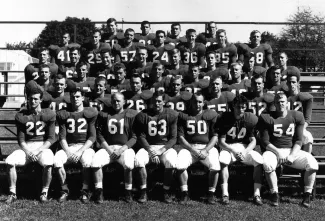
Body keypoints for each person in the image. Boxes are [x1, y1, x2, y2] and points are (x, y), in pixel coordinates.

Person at [258, 92, 318, 208]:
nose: (280, 104)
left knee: (313, 164)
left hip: (291, 150)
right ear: (274, 103)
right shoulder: (266, 117)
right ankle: (274, 193)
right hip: (274, 150)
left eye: (283, 102)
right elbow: (265, 142)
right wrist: (278, 152)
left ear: (287, 103)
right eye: (278, 102)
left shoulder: (297, 115)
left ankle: (307, 195)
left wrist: (292, 155)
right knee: (267, 164)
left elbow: (299, 140)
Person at [6, 86, 56, 203]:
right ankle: (12, 192)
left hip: (42, 147)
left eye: (35, 99)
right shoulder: (21, 115)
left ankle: (44, 192)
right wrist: (28, 152)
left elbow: (51, 138)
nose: (33, 101)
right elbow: (21, 139)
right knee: (9, 161)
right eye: (30, 99)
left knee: (49, 162)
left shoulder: (49, 114)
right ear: (27, 99)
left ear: (41, 100)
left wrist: (38, 151)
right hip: (27, 147)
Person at [92, 92, 138, 203]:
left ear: (124, 102)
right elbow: (99, 135)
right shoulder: (104, 115)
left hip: (124, 148)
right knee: (95, 162)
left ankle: (128, 192)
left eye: (118, 100)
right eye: (113, 101)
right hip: (108, 148)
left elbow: (134, 137)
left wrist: (121, 149)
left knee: (128, 164)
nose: (116, 103)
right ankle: (99, 191)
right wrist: (108, 149)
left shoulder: (130, 115)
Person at [218, 94, 264, 205]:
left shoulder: (249, 119)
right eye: (238, 107)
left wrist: (245, 151)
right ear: (233, 106)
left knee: (258, 160)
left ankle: (257, 194)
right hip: (228, 147)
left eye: (243, 107)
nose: (240, 109)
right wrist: (233, 151)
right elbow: (221, 142)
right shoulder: (225, 118)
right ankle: (225, 194)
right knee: (223, 160)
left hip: (243, 148)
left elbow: (253, 141)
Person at [54, 88, 98, 203]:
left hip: (85, 146)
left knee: (87, 160)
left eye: (78, 96)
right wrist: (68, 151)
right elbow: (62, 137)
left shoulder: (90, 113)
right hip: (68, 146)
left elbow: (92, 137)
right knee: (57, 160)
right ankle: (64, 189)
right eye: (73, 97)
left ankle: (85, 190)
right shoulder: (64, 114)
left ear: (83, 98)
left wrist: (80, 152)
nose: (75, 99)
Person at [134, 91, 178, 203]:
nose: (156, 103)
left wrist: (161, 150)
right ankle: (143, 191)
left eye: (159, 101)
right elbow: (140, 136)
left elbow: (173, 138)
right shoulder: (143, 115)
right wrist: (150, 150)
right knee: (139, 160)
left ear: (164, 101)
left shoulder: (171, 115)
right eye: (154, 101)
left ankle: (166, 190)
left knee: (171, 162)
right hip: (148, 146)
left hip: (164, 147)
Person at [177, 93, 220, 204]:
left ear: (204, 102)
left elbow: (215, 136)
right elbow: (181, 138)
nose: (198, 104)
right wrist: (193, 150)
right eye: (195, 101)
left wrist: (206, 150)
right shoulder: (183, 115)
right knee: (180, 164)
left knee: (215, 166)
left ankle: (211, 193)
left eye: (200, 102)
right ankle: (184, 193)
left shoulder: (211, 114)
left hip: (207, 148)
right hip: (190, 147)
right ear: (191, 102)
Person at [285, 66, 314, 153]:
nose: (291, 84)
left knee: (307, 136)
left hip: (300, 127)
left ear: (298, 83)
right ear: (287, 83)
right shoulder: (284, 97)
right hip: (286, 127)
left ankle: (305, 157)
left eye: (294, 82)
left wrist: (300, 129)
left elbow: (307, 119)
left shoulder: (305, 98)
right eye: (289, 82)